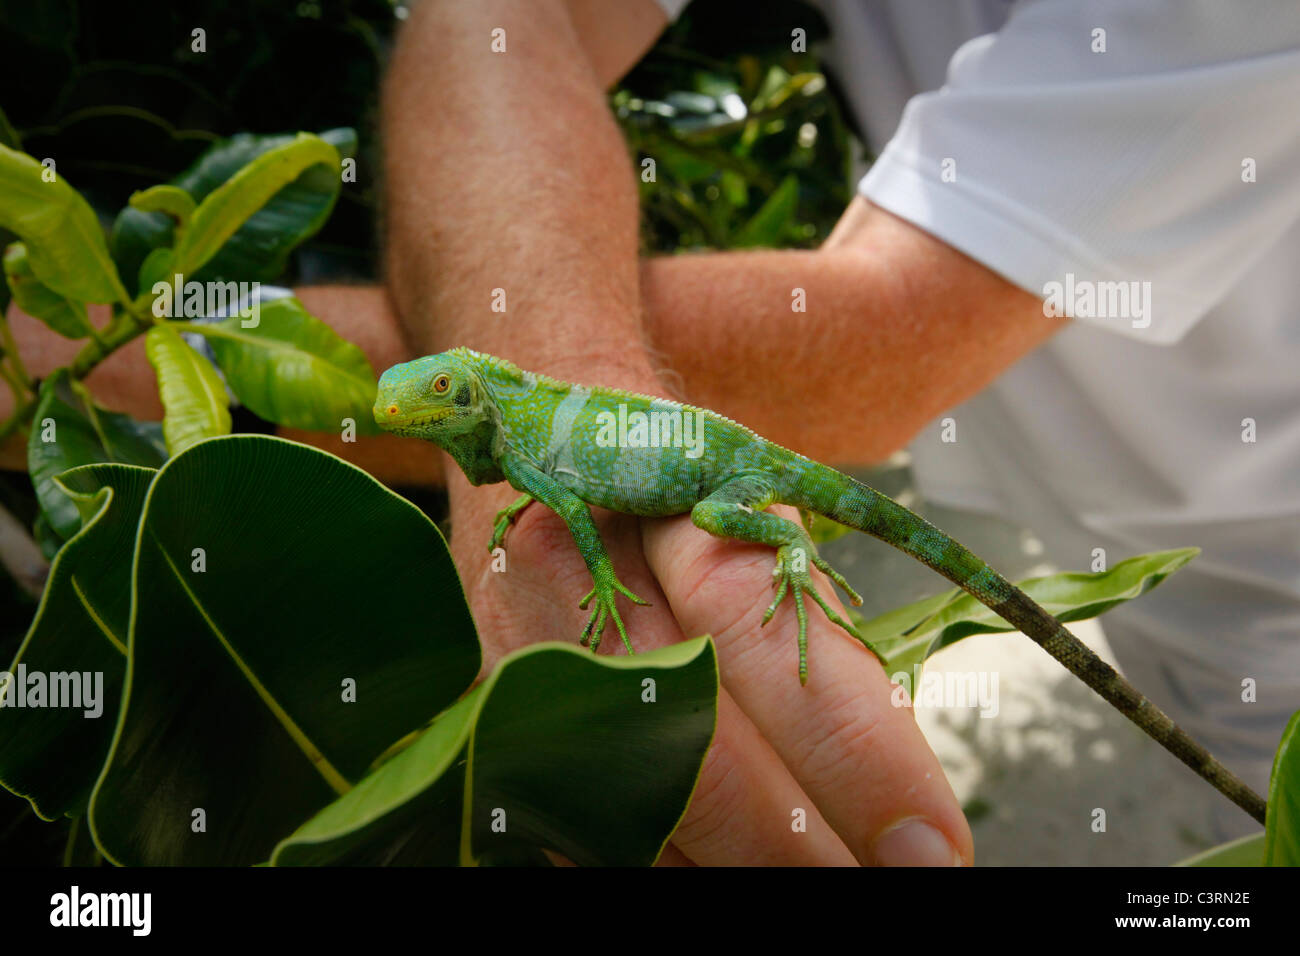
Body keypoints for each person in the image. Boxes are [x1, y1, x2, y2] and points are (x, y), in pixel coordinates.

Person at [4, 0, 1295, 865]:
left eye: (448, 408)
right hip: (1089, 511)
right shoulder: (506, 430)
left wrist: (91, 360)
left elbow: (875, 352)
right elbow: (502, 20)